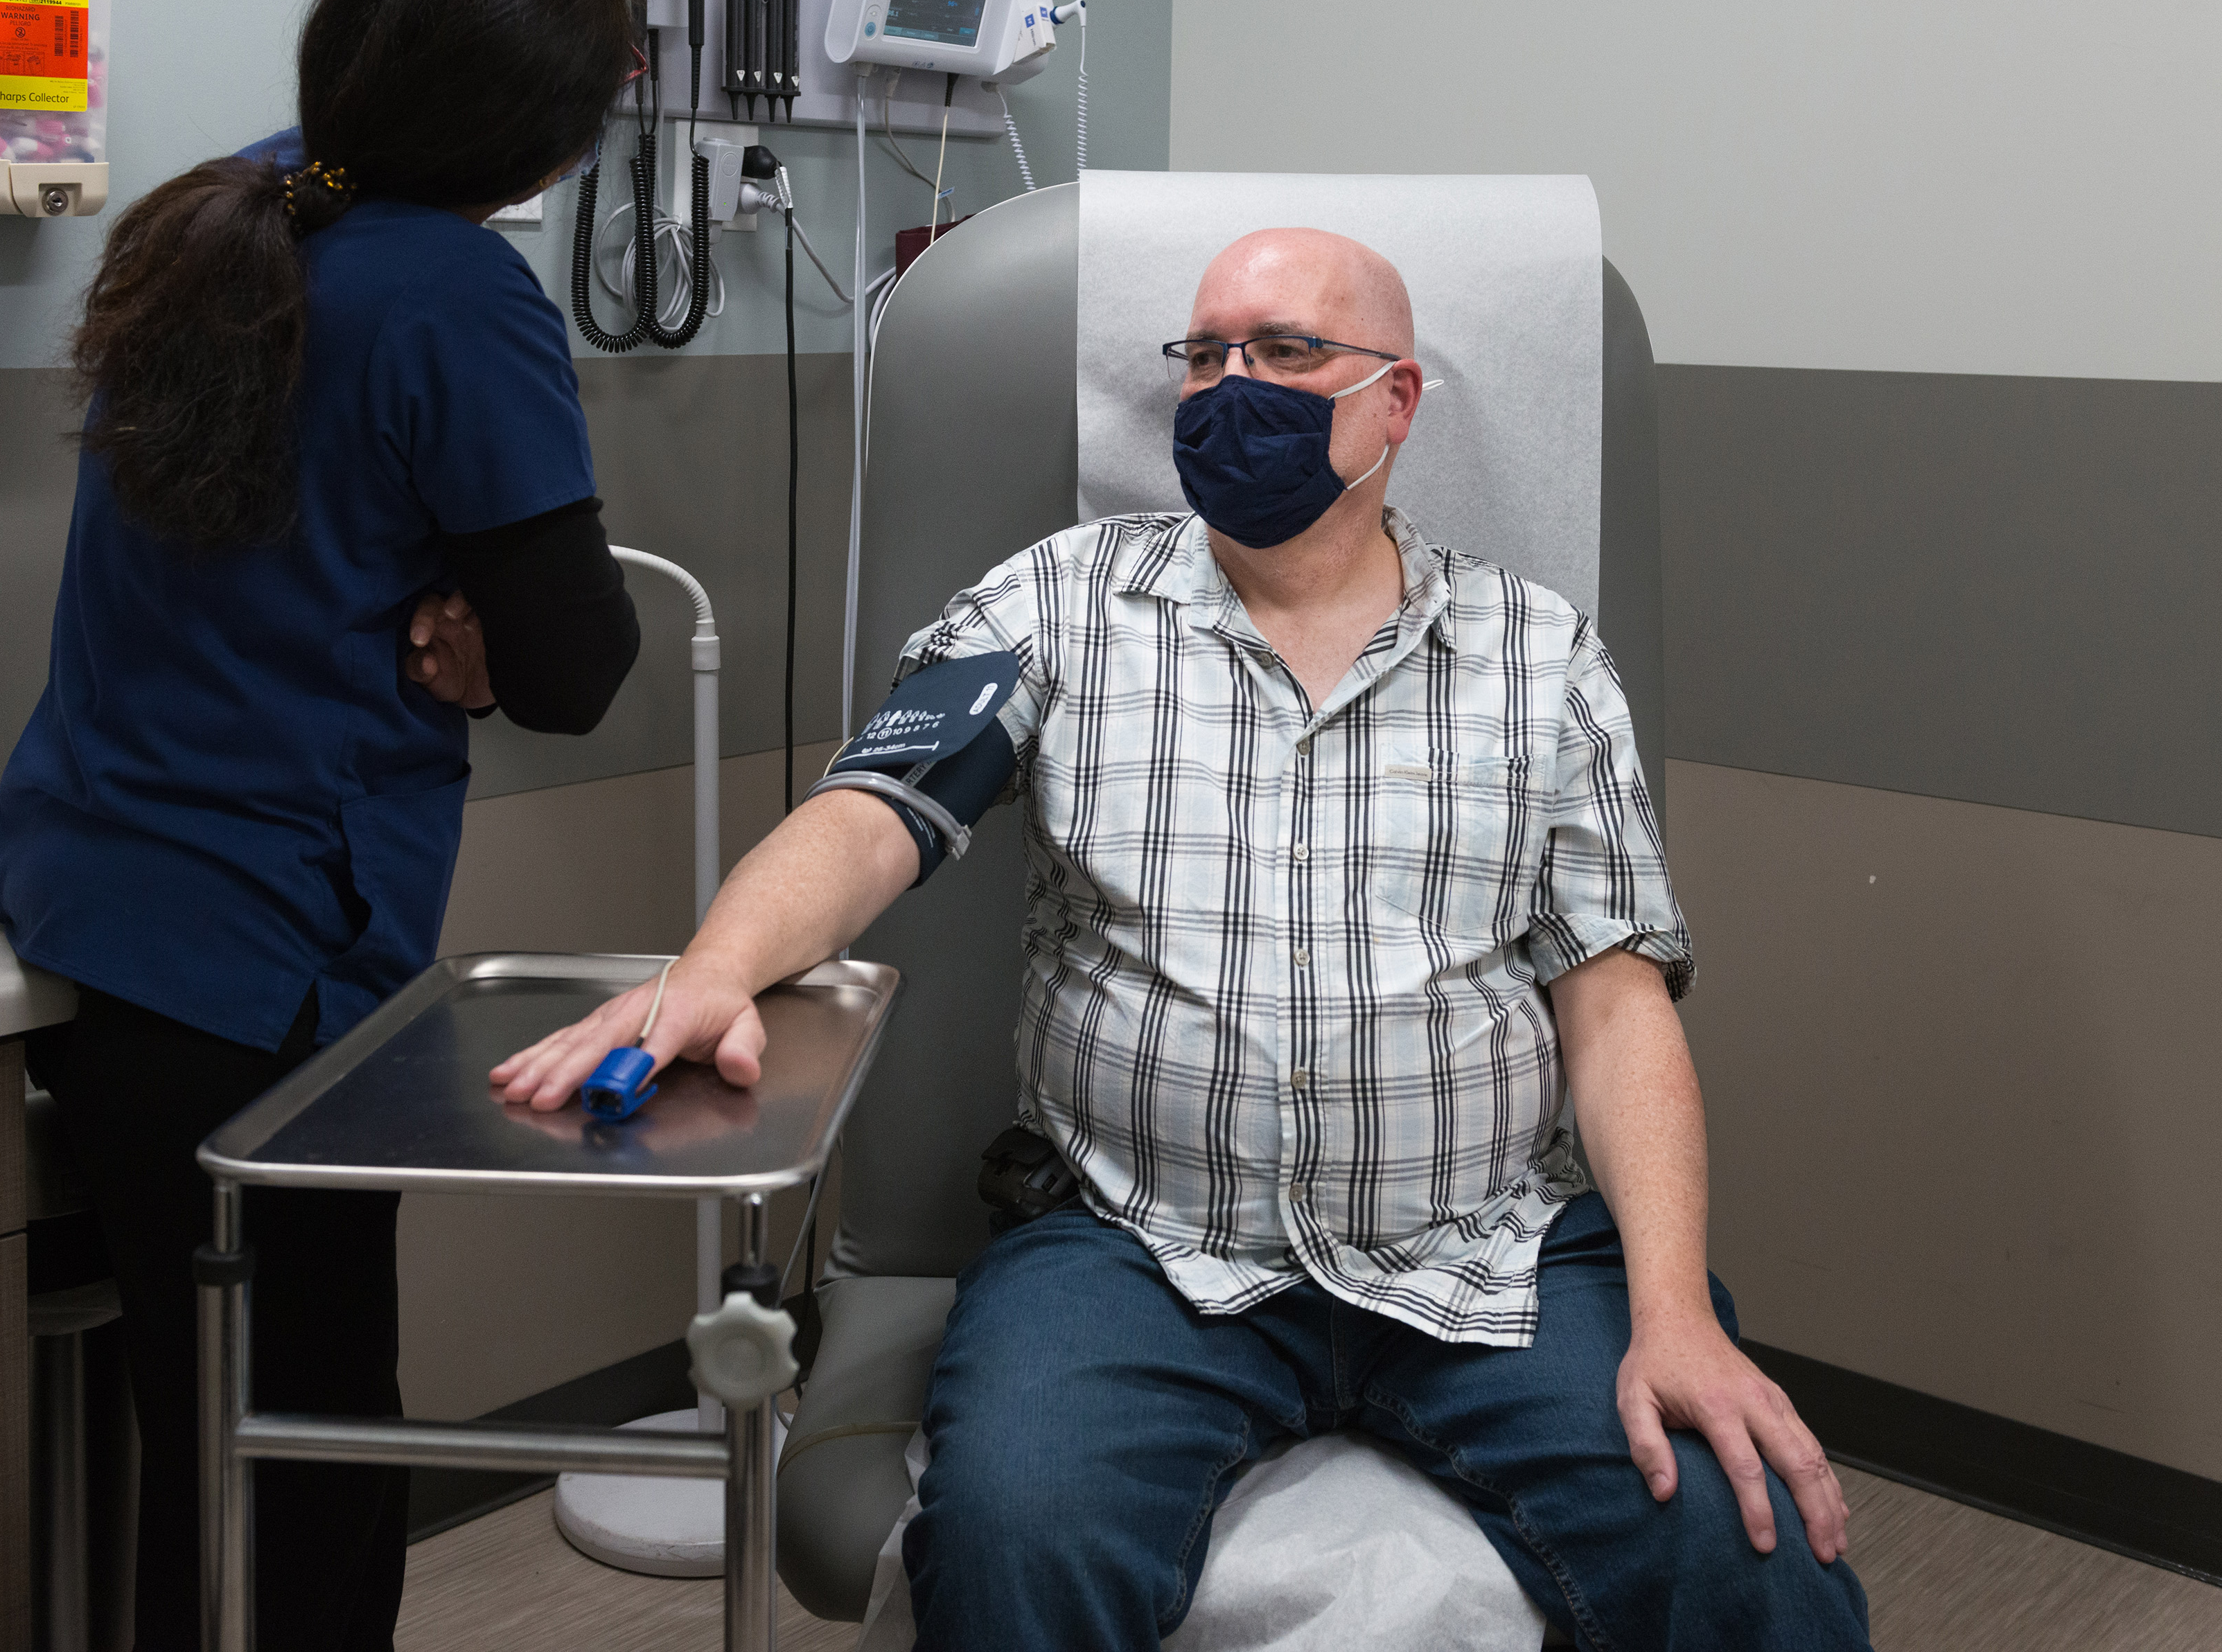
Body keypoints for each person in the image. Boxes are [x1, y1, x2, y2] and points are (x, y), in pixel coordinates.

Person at [498, 227, 1873, 1649]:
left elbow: (1616, 1000)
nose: (1231, 386)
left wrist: (1672, 1310)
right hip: (1142, 1247)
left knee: (1748, 1544)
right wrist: (714, 965)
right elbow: (871, 813)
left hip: (1484, 1248)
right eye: (1206, 354)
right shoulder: (1057, 604)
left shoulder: (1538, 655)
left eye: (1285, 353)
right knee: (1011, 1538)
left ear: (1396, 402)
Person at [0, 0, 646, 1647]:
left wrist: (447, 601)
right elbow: (580, 670)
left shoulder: (231, 209)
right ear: (550, 126)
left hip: (100, 901)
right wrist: (487, 629)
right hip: (266, 945)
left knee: (199, 1424)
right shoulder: (451, 290)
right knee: (306, 1446)